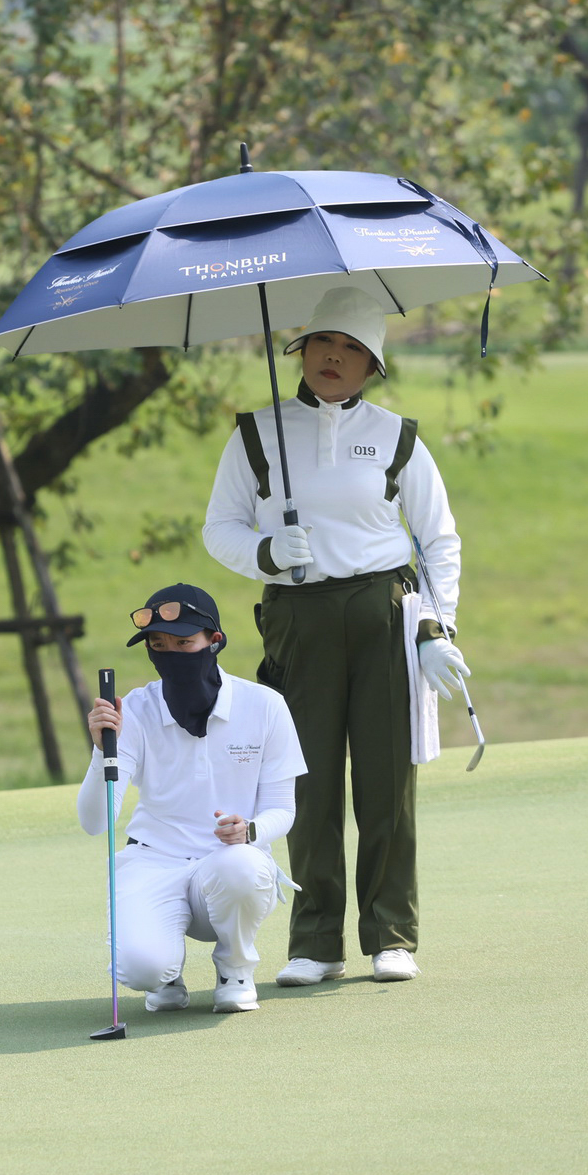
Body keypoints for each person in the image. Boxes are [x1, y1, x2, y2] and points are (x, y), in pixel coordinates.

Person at [201, 285, 470, 985]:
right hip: (298, 617)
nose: (336, 358)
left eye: (354, 350)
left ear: (372, 367)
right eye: (326, 343)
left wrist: (438, 628)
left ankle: (391, 933)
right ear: (302, 348)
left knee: (386, 777)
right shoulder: (256, 433)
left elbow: (439, 541)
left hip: (383, 610)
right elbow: (219, 527)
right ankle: (314, 942)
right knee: (307, 780)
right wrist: (266, 553)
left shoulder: (397, 436)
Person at [76, 583, 307, 1014]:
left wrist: (250, 829)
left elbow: (284, 808)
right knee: (142, 968)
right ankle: (165, 975)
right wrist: (100, 749)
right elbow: (95, 822)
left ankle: (235, 967)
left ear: (214, 641)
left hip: (228, 861)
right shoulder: (137, 711)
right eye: (159, 645)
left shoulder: (266, 705)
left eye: (184, 643)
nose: (170, 654)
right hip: (153, 861)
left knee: (242, 865)